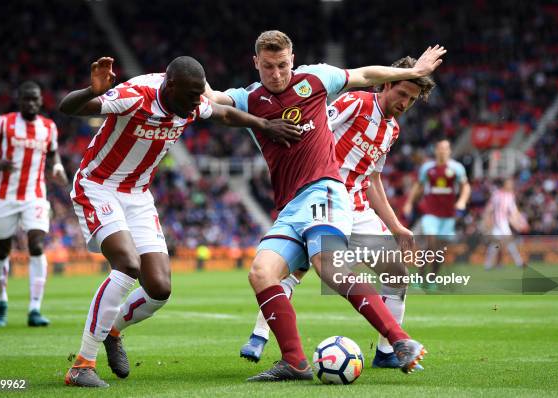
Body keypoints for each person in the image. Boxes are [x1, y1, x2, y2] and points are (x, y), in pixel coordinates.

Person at [205, 30, 445, 381]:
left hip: (329, 193)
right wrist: (180, 78)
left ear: (293, 58)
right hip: (291, 205)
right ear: (255, 63)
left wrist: (411, 71)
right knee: (262, 273)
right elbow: (213, 102)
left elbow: (365, 74)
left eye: (283, 65)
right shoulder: (248, 97)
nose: (277, 74)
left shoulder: (317, 78)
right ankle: (294, 362)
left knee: (331, 268)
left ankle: (398, 342)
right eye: (268, 67)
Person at [60, 56, 302, 388]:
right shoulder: (135, 95)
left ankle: (112, 330)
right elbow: (69, 108)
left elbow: (225, 114)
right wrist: (92, 89)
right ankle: (81, 365)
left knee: (159, 288)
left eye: (198, 96)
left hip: (138, 194)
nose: (195, 104)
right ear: (170, 86)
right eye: (190, 96)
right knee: (127, 265)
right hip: (99, 186)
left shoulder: (191, 100)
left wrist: (264, 125)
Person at [0, 81, 68, 328]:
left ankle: (35, 309)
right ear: (20, 101)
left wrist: (58, 166)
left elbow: (53, 152)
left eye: (35, 99)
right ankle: (1, 302)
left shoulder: (48, 127)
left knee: (37, 244)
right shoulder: (3, 123)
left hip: (34, 195)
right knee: (2, 250)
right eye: (27, 99)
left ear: (40, 101)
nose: (31, 103)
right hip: (5, 196)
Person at [403, 139, 470, 287]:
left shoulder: (457, 168)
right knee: (430, 242)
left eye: (445, 148)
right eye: (440, 148)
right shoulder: (427, 168)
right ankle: (420, 278)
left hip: (448, 215)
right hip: (430, 212)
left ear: (449, 151)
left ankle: (432, 279)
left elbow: (465, 187)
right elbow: (418, 186)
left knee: (440, 249)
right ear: (436, 150)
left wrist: (462, 201)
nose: (442, 151)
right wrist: (408, 203)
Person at [483, 177, 528, 269]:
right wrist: (487, 221)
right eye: (509, 183)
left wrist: (519, 222)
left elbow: (513, 211)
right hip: (499, 222)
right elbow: (490, 208)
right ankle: (519, 263)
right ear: (505, 184)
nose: (511, 185)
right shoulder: (497, 194)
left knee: (495, 245)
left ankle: (487, 264)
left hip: (504, 222)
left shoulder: (510, 196)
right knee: (508, 242)